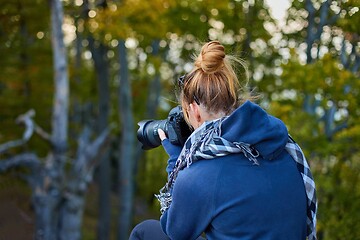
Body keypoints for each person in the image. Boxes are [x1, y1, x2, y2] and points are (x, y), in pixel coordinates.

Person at [129, 40, 317, 240]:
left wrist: (178, 163)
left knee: (145, 232)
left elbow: (175, 231)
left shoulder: (198, 178)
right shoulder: (282, 145)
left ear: (195, 111)